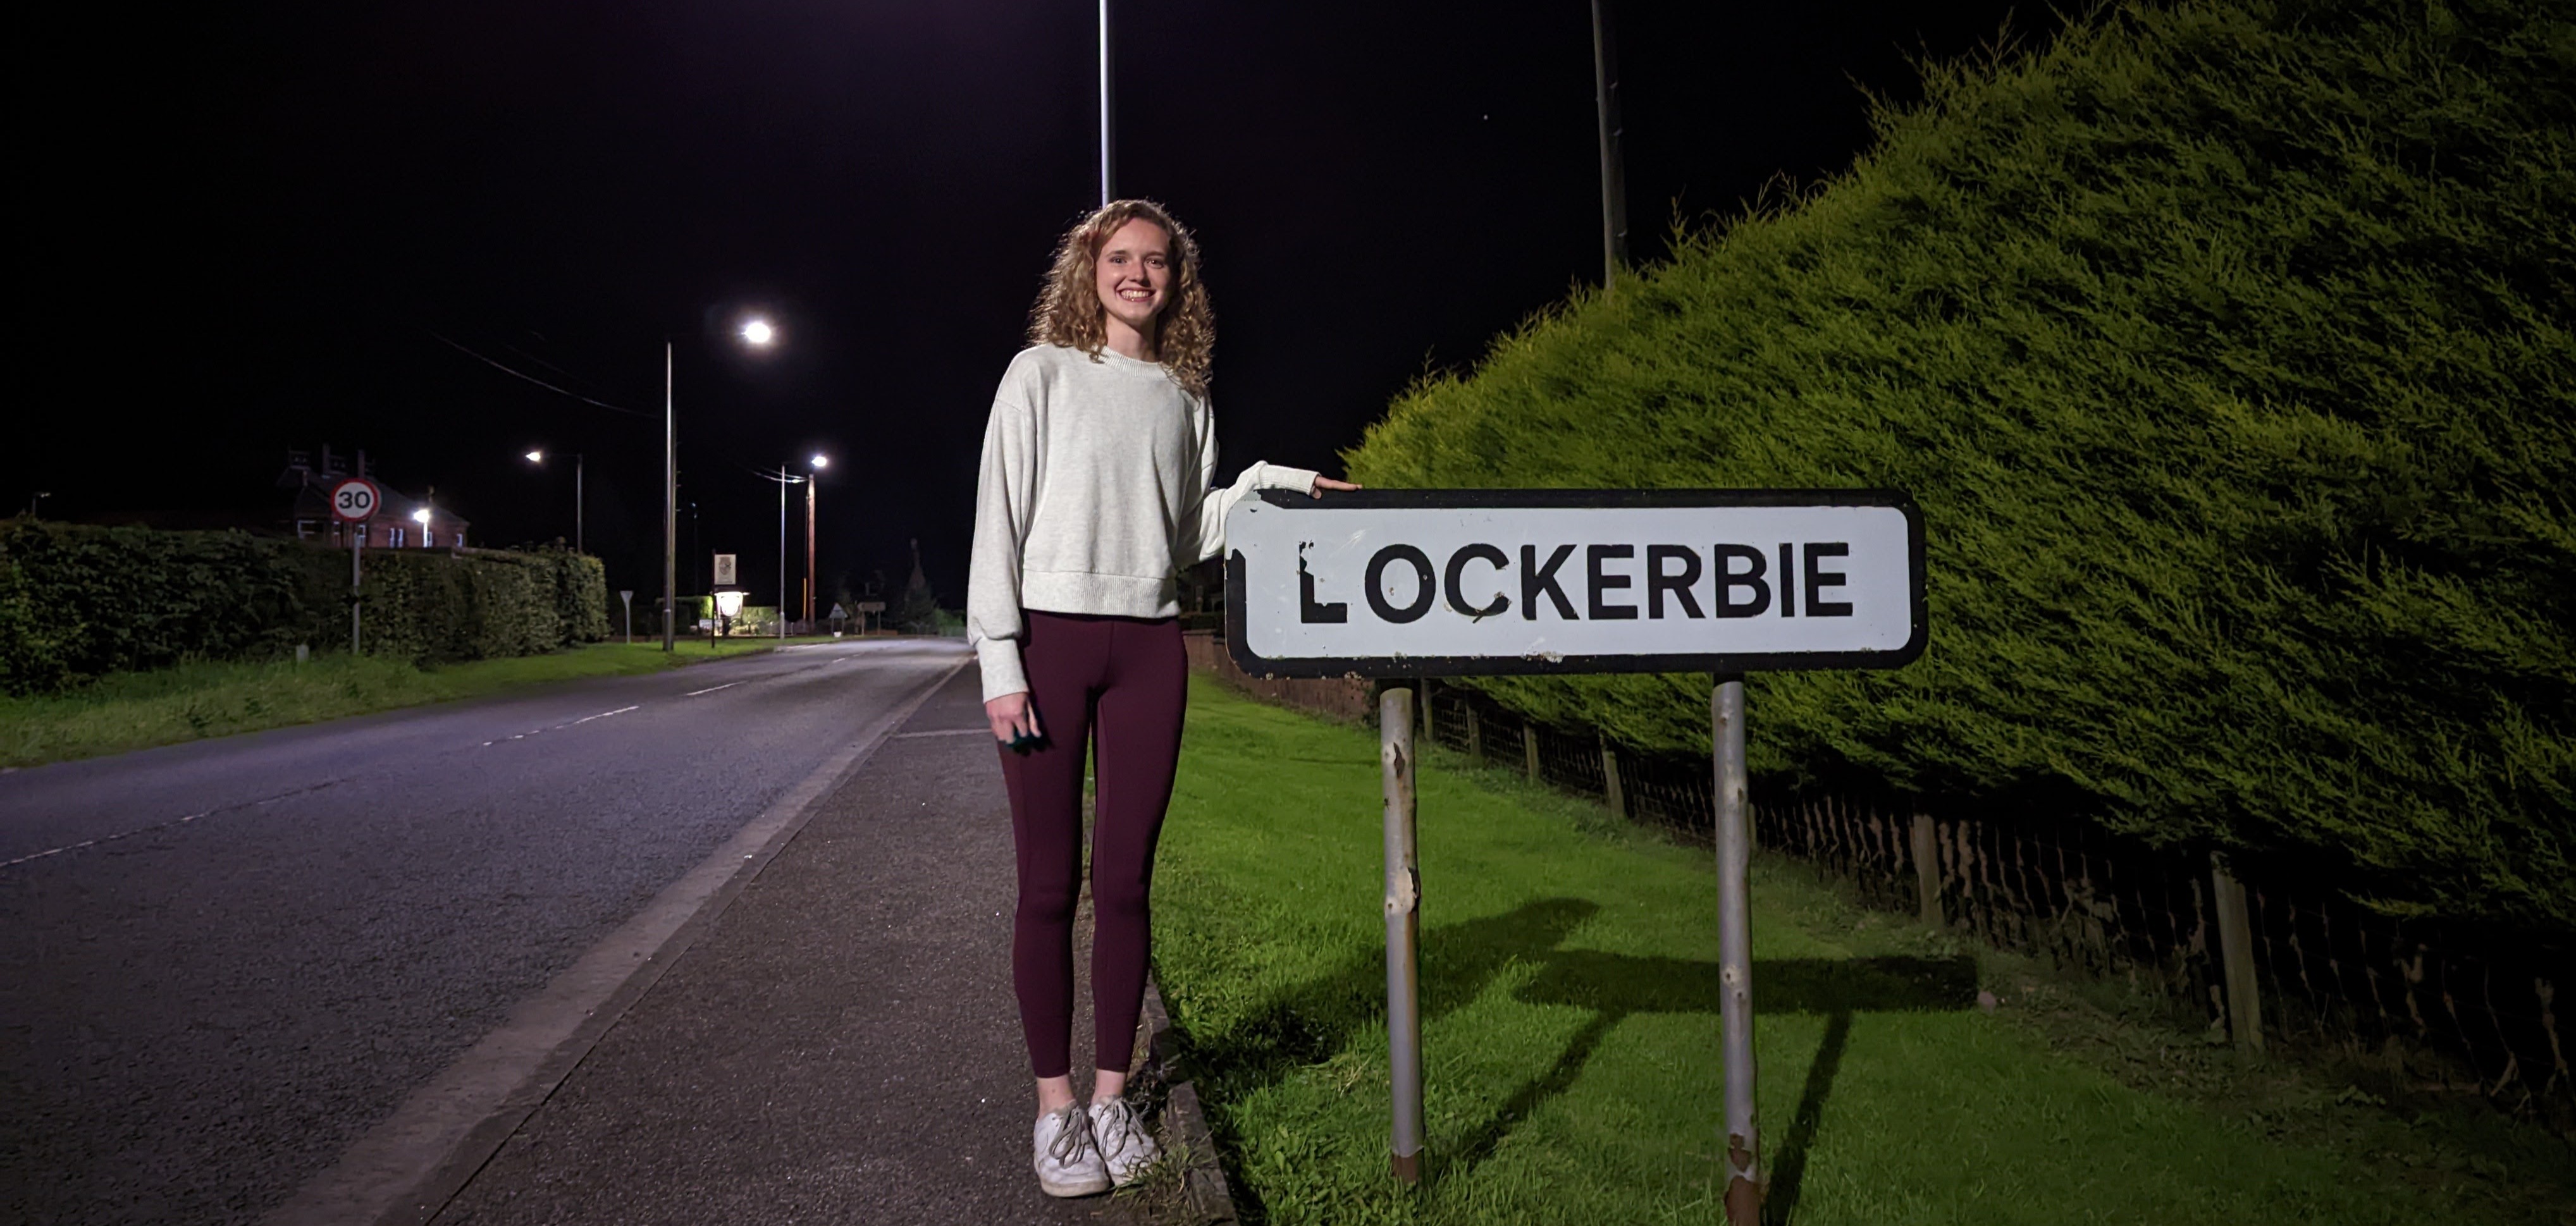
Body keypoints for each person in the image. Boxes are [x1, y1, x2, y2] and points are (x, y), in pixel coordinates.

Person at [966, 199, 1357, 1198]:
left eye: (1156, 262)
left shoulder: (1186, 395)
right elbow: (996, 523)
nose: (1137, 274)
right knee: (1049, 887)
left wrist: (1276, 481)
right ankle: (1053, 1110)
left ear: (1177, 283)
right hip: (1049, 643)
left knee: (1128, 883)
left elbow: (1185, 531)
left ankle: (1110, 1096)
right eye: (1120, 257)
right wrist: (1000, 664)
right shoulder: (1041, 374)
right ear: (1088, 269)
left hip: (1148, 646)